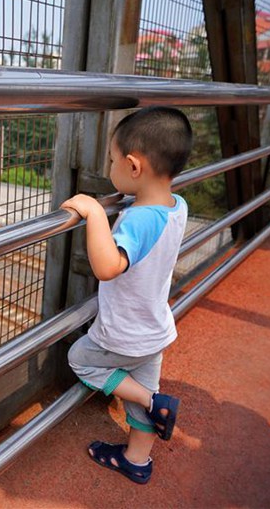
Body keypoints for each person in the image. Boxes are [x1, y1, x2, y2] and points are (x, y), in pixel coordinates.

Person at [60, 106, 192, 485]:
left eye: (112, 160)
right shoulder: (177, 206)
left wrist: (94, 212)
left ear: (133, 166)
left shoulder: (138, 219)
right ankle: (136, 459)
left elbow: (108, 266)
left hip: (123, 334)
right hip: (155, 329)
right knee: (140, 389)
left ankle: (153, 402)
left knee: (81, 359)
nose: (110, 167)